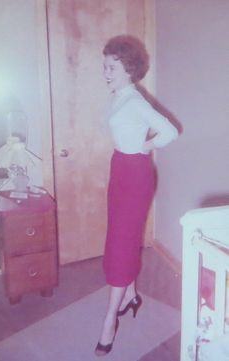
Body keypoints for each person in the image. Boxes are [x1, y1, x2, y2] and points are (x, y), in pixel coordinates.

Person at [95, 35, 178, 357]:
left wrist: (146, 147)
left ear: (128, 68)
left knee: (121, 241)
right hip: (121, 170)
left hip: (135, 174)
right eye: (104, 66)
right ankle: (129, 294)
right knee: (122, 237)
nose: (105, 72)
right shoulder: (118, 96)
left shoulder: (134, 101)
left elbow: (169, 131)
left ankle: (108, 321)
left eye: (111, 66)